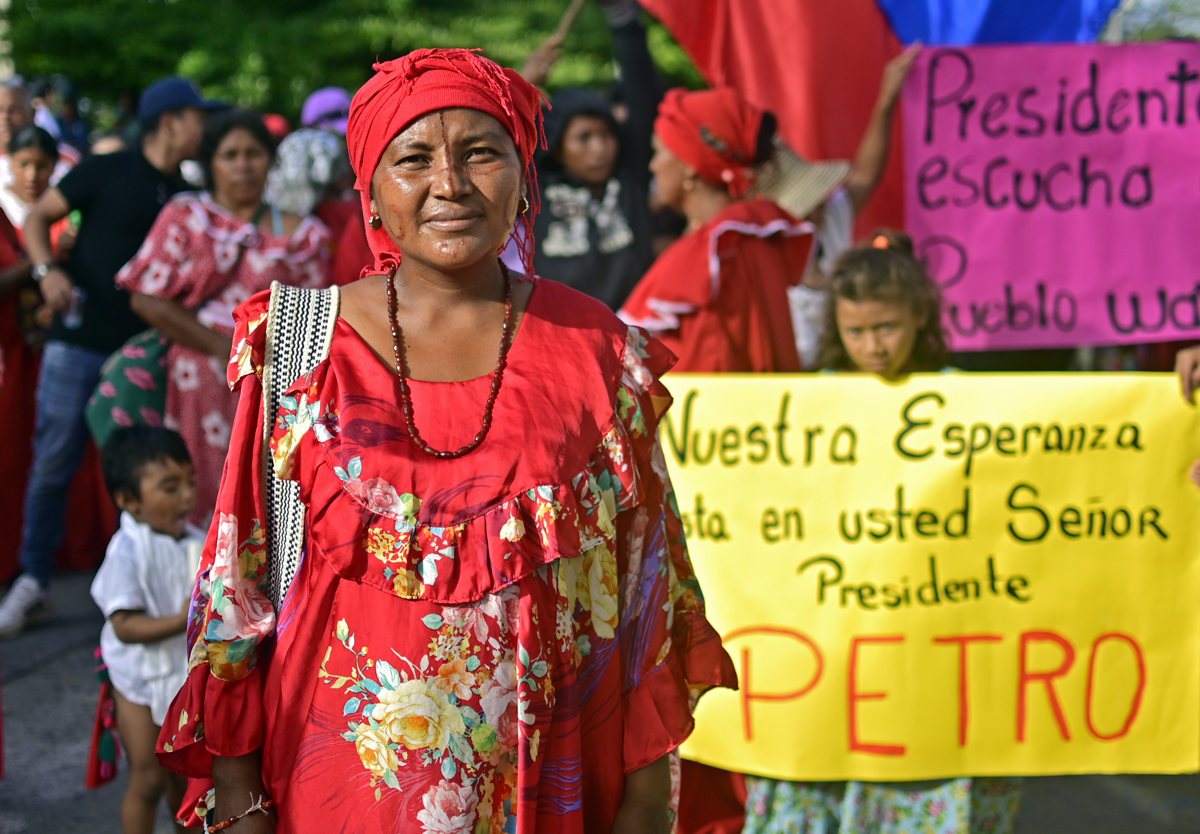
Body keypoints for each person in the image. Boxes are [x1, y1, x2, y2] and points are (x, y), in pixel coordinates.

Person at [156, 47, 735, 833]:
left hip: (554, 779)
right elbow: (237, 576)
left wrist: (642, 801)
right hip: (337, 793)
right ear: (370, 191)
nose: (450, 185)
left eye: (481, 153)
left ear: (526, 180)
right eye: (414, 158)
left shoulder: (598, 349)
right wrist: (237, 793)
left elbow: (647, 585)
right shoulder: (301, 344)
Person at [741, 232, 1021, 834]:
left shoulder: (966, 402)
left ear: (921, 315)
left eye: (887, 327)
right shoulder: (807, 407)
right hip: (836, 646)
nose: (872, 345)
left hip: (931, 645)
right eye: (856, 332)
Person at [0, 75, 220, 638]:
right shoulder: (106, 168)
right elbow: (35, 218)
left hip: (145, 352)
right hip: (78, 343)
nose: (206, 126)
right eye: (198, 116)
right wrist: (48, 272)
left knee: (145, 470)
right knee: (54, 460)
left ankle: (142, 595)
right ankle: (34, 581)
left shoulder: (185, 193)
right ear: (170, 120)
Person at [112, 109, 331, 524]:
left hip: (277, 381)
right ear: (210, 164)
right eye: (230, 155)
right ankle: (206, 584)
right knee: (205, 483)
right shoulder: (187, 218)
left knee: (272, 491)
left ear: (271, 161)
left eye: (254, 154)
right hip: (202, 378)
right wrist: (221, 348)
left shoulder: (306, 235)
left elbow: (316, 311)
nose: (243, 165)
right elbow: (145, 298)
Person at [619, 87, 814, 373]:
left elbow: (705, 360)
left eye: (659, 152)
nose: (653, 165)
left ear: (689, 165)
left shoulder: (717, 246)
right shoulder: (752, 232)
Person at [91, 425, 202, 834]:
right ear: (128, 500)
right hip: (135, 678)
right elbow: (125, 626)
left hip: (179, 677)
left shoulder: (197, 540)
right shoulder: (126, 550)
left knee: (185, 779)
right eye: (170, 487)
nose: (187, 496)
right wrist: (186, 618)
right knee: (149, 777)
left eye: (190, 482)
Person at [527, 0, 660, 310]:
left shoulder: (629, 175)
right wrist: (525, 83)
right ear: (558, 148)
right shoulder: (534, 186)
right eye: (584, 138)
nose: (599, 148)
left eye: (606, 135)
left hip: (635, 330)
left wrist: (623, 19)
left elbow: (641, 92)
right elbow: (501, 132)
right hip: (563, 336)